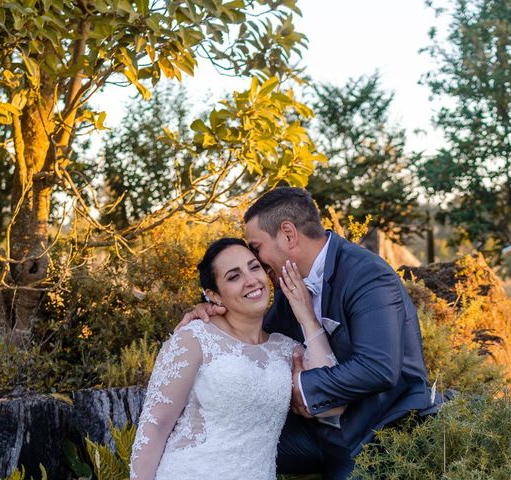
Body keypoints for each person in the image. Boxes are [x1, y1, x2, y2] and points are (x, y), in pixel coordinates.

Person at [178, 187, 439, 480]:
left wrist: (300, 388)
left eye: (256, 247)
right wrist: (211, 315)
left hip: (381, 432)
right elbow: (254, 338)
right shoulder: (290, 282)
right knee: (224, 451)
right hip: (317, 433)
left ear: (288, 235)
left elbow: (377, 368)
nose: (257, 260)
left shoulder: (367, 275)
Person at [129, 238, 344, 480]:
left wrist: (307, 317)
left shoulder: (285, 350)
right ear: (213, 295)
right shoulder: (194, 338)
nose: (251, 280)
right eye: (234, 276)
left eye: (254, 267)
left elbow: (334, 405)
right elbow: (154, 427)